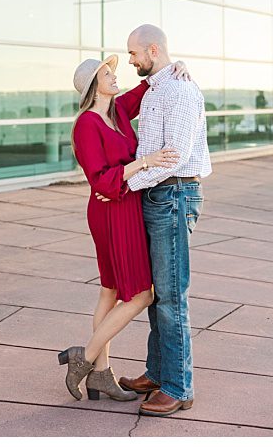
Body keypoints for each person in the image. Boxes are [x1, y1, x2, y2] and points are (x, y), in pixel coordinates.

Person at [57, 54, 186, 402]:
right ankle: (84, 357)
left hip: (126, 205)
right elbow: (100, 180)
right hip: (110, 211)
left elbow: (149, 82)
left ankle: (100, 375)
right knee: (141, 294)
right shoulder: (87, 124)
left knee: (110, 292)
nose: (116, 77)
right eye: (108, 73)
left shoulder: (117, 111)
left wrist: (179, 64)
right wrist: (145, 161)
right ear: (93, 85)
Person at [117, 24, 212, 417]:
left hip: (173, 195)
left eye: (134, 54)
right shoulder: (160, 86)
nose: (131, 61)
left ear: (153, 50)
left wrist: (126, 182)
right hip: (158, 195)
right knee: (158, 292)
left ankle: (178, 386)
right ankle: (158, 372)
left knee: (172, 295)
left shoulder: (181, 90)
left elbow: (174, 153)